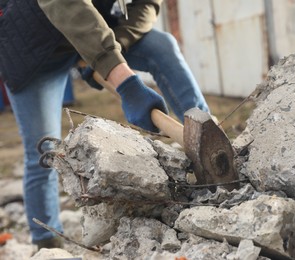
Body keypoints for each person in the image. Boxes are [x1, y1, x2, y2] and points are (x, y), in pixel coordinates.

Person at [0, 0, 210, 249]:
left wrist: (107, 54)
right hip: (33, 49)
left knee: (162, 45)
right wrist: (126, 83)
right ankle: (47, 243)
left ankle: (206, 137)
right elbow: (66, 4)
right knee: (44, 151)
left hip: (93, 33)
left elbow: (146, 4)